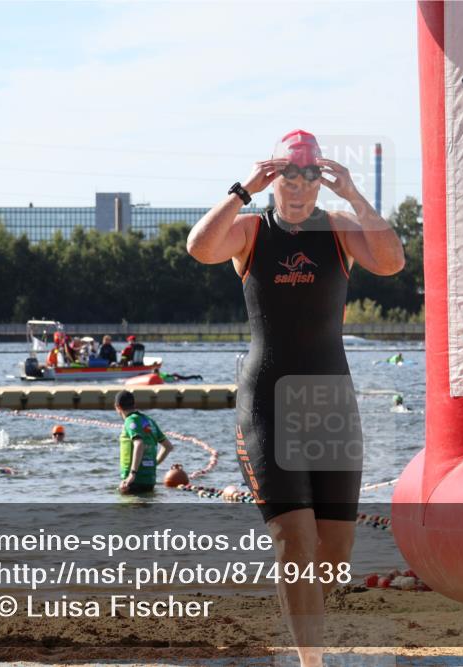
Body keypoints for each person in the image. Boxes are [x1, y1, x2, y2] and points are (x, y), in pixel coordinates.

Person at [186, 129, 404, 666]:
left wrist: (354, 194)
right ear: (274, 178)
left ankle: (301, 632)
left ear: (320, 180)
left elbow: (392, 261)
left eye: (310, 174)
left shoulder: (339, 229)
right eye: (289, 174)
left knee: (334, 553)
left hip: (331, 403)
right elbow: (199, 248)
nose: (300, 184)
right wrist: (242, 190)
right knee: (294, 542)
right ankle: (312, 662)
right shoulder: (251, 231)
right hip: (268, 403)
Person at [114, 391, 173, 494]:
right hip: (150, 480)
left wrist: (132, 473)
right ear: (134, 404)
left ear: (118, 407)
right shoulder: (149, 421)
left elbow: (139, 443)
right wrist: (153, 464)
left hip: (134, 480)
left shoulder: (130, 420)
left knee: (125, 508)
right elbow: (168, 447)